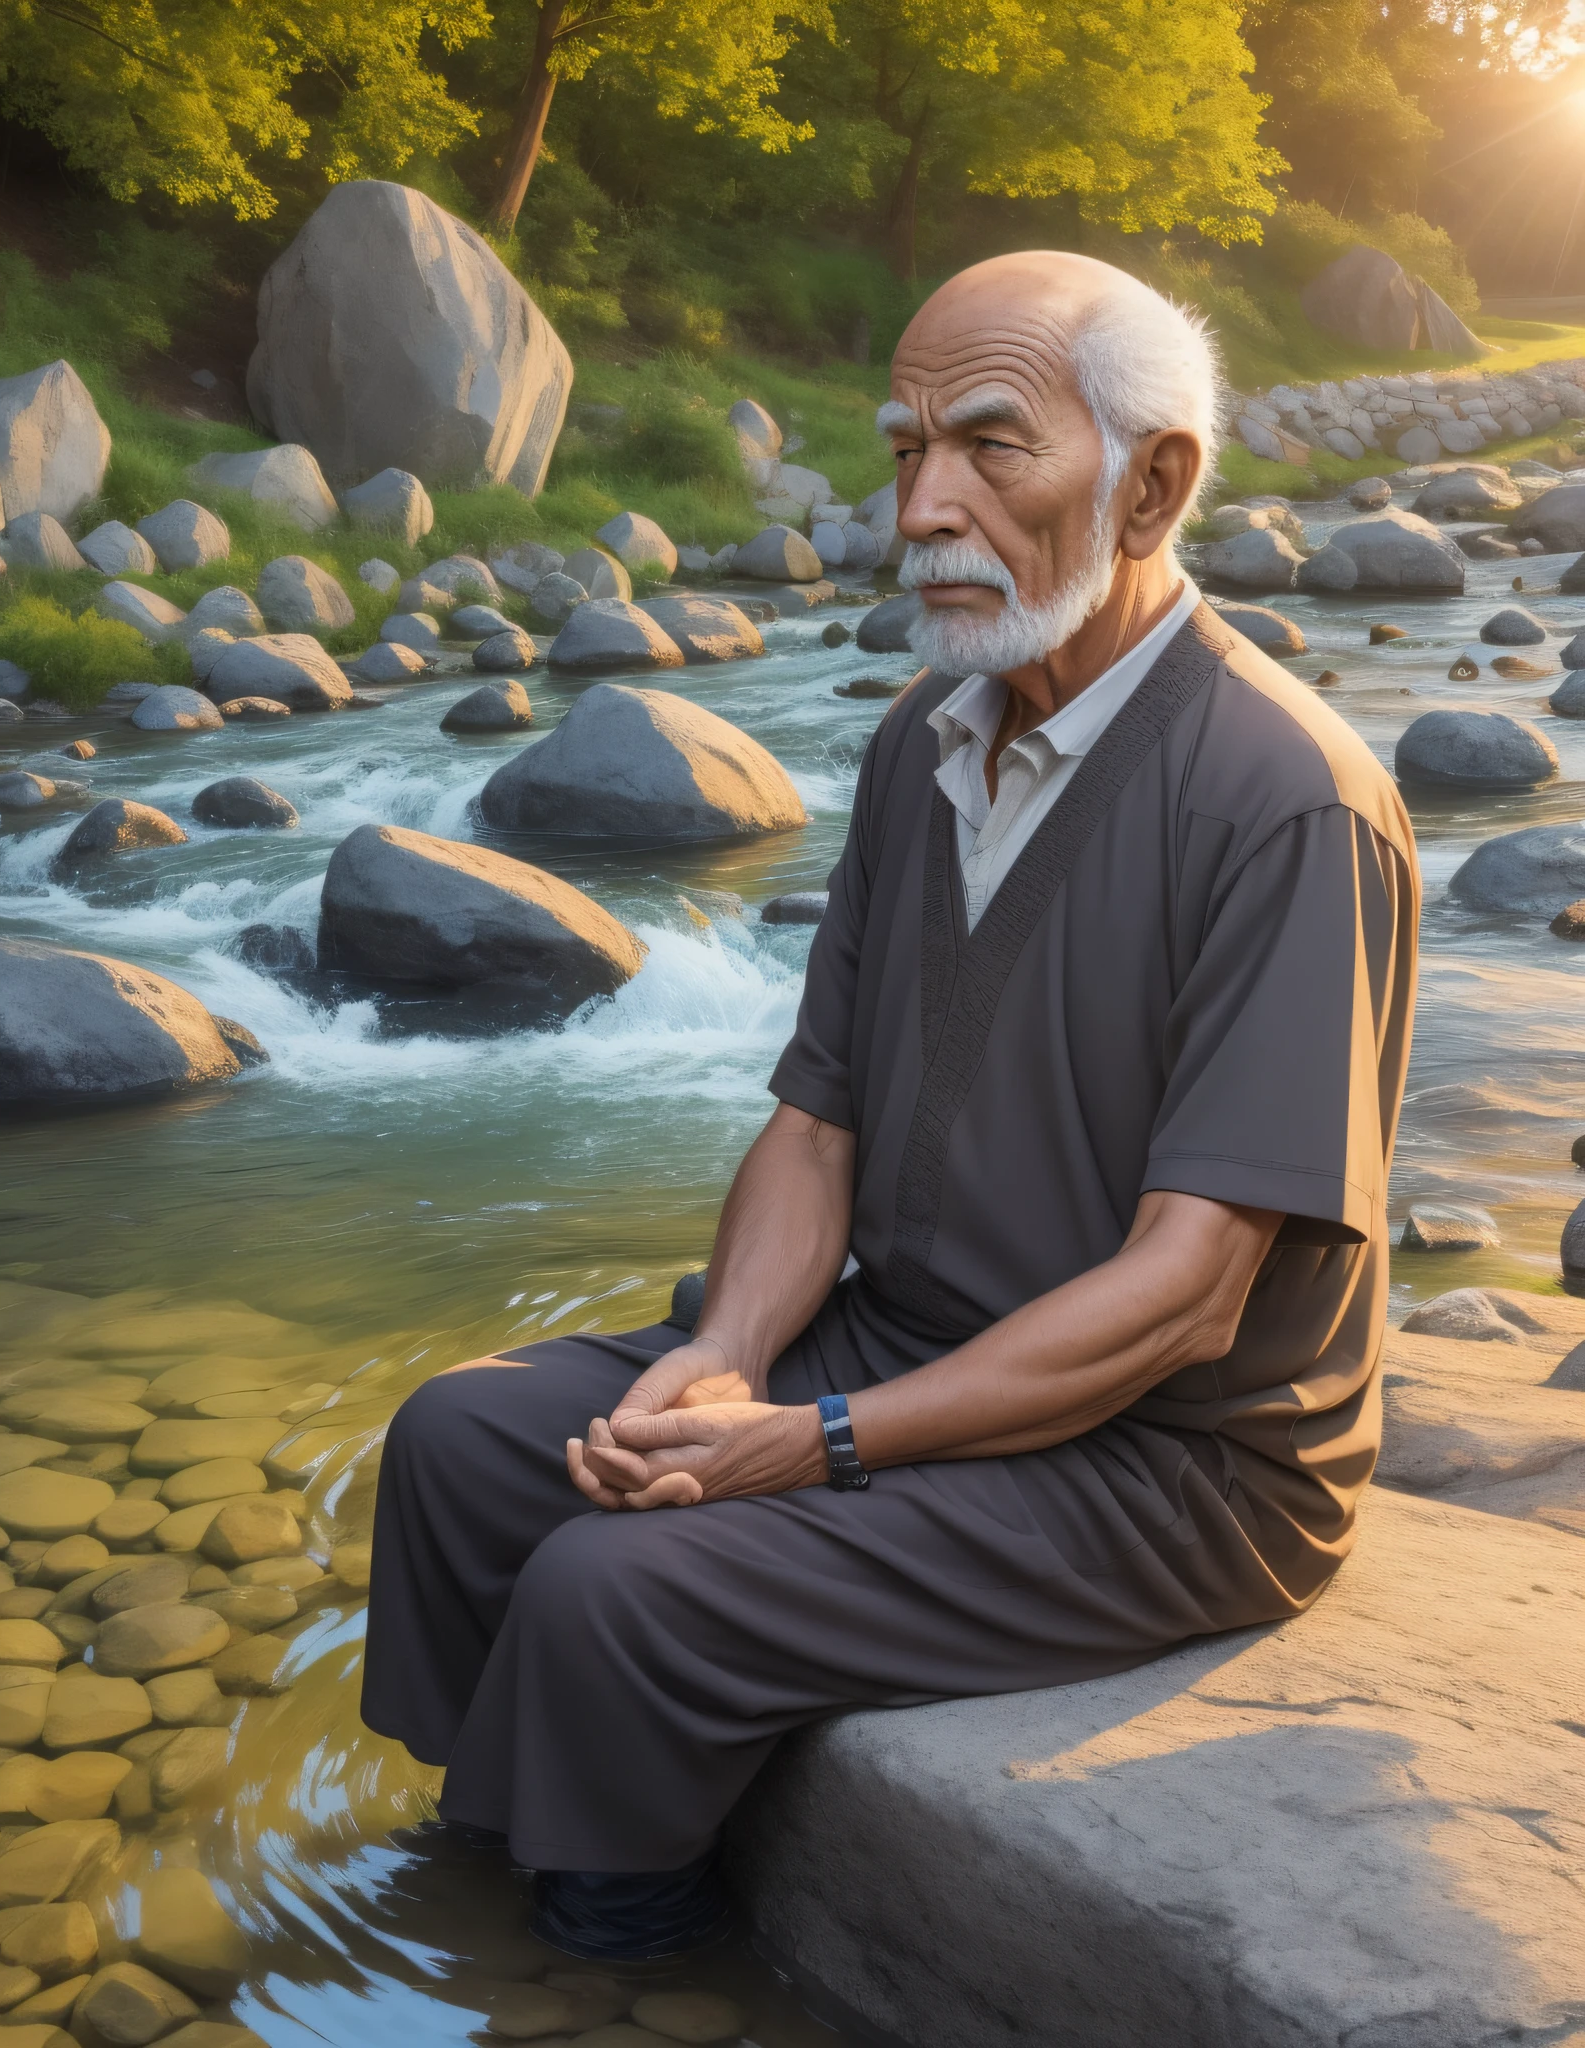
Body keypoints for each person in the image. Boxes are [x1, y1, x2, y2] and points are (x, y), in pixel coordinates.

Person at [359, 250, 1420, 1963]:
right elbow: (818, 1124)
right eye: (906, 446)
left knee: (612, 1583)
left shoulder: (1288, 803)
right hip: (908, 1341)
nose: (921, 506)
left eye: (991, 448)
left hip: (1171, 1463)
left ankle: (618, 1954)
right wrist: (733, 1361)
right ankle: (502, 1852)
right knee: (464, 1450)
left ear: (1154, 485)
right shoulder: (928, 740)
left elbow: (1189, 1294)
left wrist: (807, 1446)